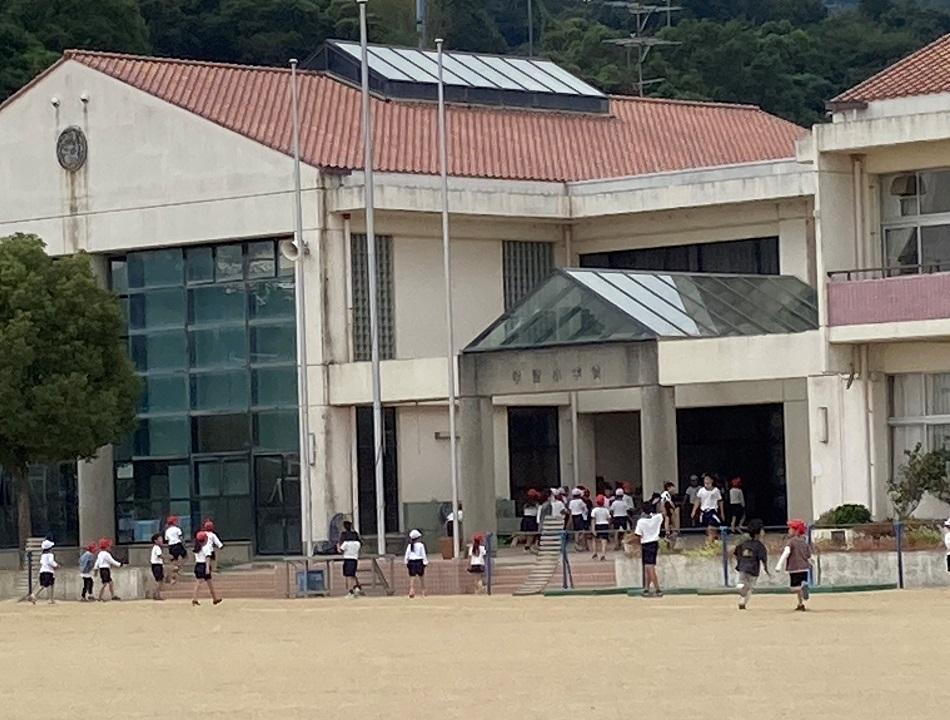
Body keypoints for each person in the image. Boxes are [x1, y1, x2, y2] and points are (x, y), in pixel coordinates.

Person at [775, 519, 812, 612]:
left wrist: (779, 564)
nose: (789, 530)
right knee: (801, 585)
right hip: (804, 568)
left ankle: (801, 588)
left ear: (796, 530)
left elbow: (786, 552)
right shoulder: (804, 542)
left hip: (794, 568)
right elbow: (809, 555)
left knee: (793, 588)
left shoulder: (791, 541)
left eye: (791, 529)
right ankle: (800, 604)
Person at [733, 519, 769, 610]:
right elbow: (763, 559)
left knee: (742, 582)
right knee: (750, 587)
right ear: (759, 533)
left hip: (743, 568)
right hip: (753, 570)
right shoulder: (760, 545)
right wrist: (766, 569)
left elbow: (736, 553)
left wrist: (739, 563)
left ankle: (740, 590)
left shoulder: (743, 544)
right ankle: (743, 601)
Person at [634, 502, 665, 597]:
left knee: (650, 567)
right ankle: (647, 588)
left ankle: (657, 589)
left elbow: (638, 535)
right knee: (647, 567)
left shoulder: (641, 521)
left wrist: (637, 546)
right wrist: (662, 502)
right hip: (654, 543)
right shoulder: (657, 518)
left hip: (646, 544)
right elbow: (663, 513)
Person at [192, 530, 222, 606]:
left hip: (198, 564)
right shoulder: (206, 547)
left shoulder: (196, 547)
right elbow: (207, 558)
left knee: (209, 583)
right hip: (204, 565)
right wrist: (207, 568)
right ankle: (194, 599)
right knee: (199, 583)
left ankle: (215, 598)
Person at [691, 474, 724, 544]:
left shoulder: (716, 490)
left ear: (711, 480)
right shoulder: (701, 490)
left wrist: (722, 513)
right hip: (704, 512)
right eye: (704, 479)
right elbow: (698, 500)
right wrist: (693, 511)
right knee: (707, 530)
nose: (705, 481)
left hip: (712, 511)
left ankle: (710, 543)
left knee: (711, 528)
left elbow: (720, 501)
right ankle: (713, 541)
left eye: (707, 479)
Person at [28, 539, 58, 605]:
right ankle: (34, 595)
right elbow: (51, 562)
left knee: (50, 584)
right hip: (48, 571)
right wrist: (56, 565)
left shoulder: (43, 555)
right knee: (45, 585)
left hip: (43, 571)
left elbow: (41, 562)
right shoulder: (50, 554)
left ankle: (51, 599)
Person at [338, 521, 363, 597]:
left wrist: (338, 546)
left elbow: (340, 550)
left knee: (348, 576)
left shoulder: (346, 543)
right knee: (353, 574)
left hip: (347, 558)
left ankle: (351, 590)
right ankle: (357, 587)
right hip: (354, 559)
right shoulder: (357, 543)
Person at [404, 529, 429, 599]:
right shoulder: (421, 545)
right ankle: (423, 591)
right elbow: (423, 554)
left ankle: (411, 591)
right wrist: (425, 562)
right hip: (419, 562)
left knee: (412, 577)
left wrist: (406, 561)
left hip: (411, 562)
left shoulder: (410, 545)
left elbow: (407, 554)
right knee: (421, 577)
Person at [164, 515, 186, 584]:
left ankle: (173, 576)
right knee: (185, 556)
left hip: (171, 546)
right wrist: (184, 545)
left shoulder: (167, 531)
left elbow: (167, 539)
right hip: (178, 544)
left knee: (174, 560)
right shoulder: (177, 529)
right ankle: (178, 567)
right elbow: (181, 538)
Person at [590, 494, 611, 561]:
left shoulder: (594, 510)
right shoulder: (606, 510)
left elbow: (593, 520)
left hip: (597, 524)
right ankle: (603, 554)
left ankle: (595, 553)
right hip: (605, 524)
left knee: (594, 539)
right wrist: (608, 525)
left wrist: (593, 528)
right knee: (604, 540)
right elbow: (609, 519)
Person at [149, 533, 165, 601]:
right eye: (160, 539)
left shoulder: (156, 547)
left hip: (156, 565)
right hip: (157, 565)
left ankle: (157, 594)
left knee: (160, 580)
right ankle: (156, 594)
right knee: (159, 580)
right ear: (155, 541)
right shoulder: (157, 547)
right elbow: (160, 555)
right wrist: (167, 557)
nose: (161, 540)